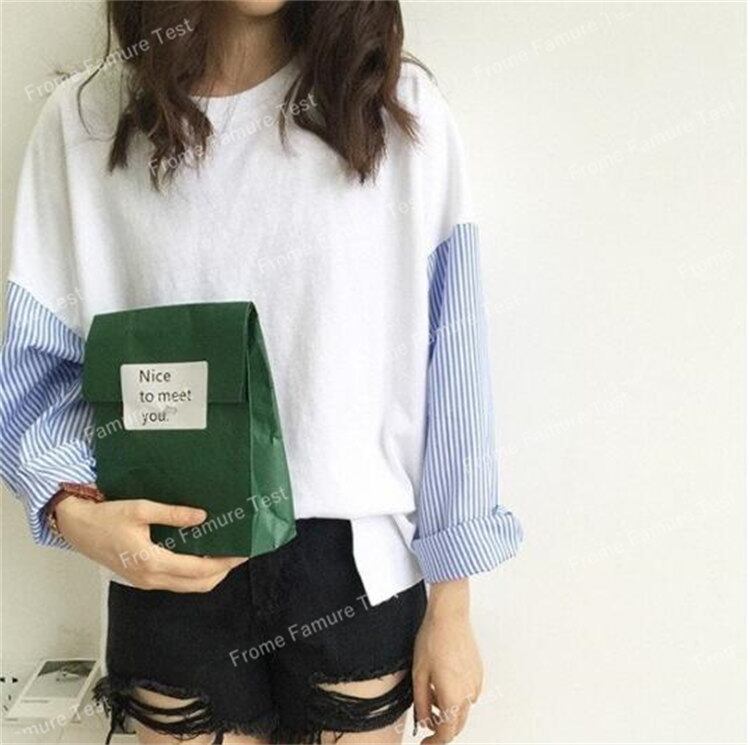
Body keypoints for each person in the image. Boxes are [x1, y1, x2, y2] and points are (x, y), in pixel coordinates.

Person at [0, 2, 523, 743]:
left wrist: (452, 604)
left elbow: (454, 361)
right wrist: (70, 508)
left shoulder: (394, 109)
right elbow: (37, 365)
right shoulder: (86, 121)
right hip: (168, 553)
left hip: (351, 563)